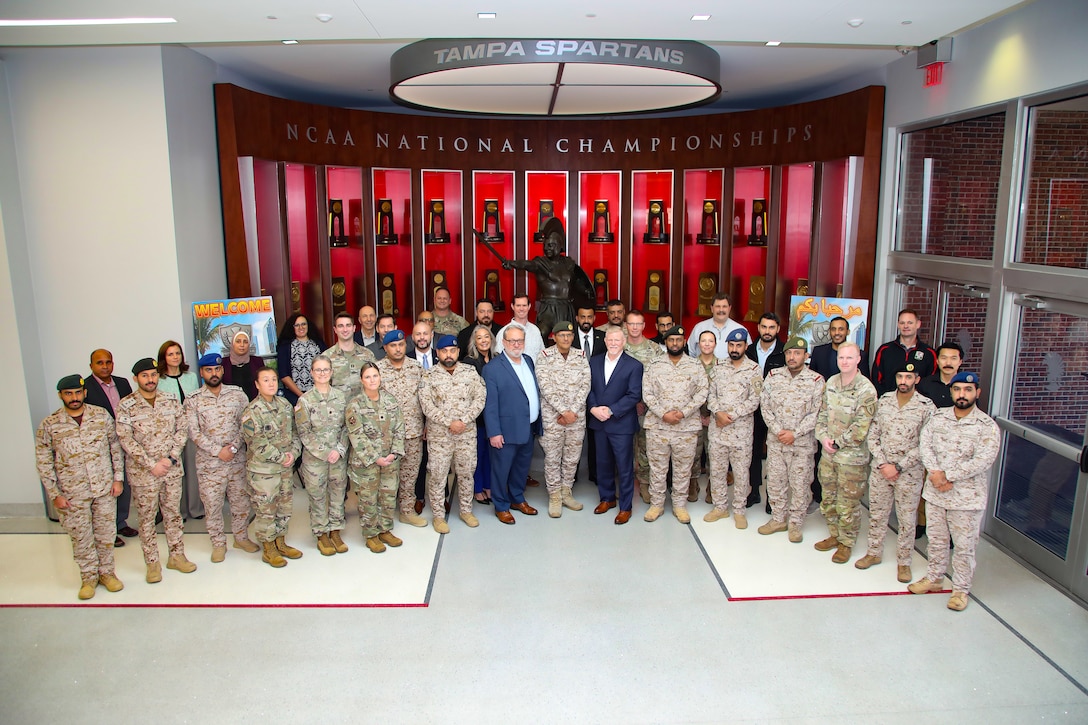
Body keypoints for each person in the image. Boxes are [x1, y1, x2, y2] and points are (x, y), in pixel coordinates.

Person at [909, 371, 1000, 611]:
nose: (962, 394)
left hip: (966, 499)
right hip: (936, 494)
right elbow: (925, 444)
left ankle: (960, 590)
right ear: (952, 392)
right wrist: (935, 472)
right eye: (958, 390)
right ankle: (934, 578)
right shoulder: (938, 418)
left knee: (964, 547)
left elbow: (984, 460)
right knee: (936, 541)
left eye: (968, 390)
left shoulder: (986, 426)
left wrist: (947, 475)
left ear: (977, 393)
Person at [35, 374, 125, 600]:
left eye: (77, 393)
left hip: (104, 488)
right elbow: (44, 461)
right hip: (72, 493)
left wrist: (118, 479)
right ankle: (88, 578)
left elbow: (115, 448)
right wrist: (54, 494)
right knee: (81, 536)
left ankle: (107, 573)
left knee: (106, 534)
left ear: (84, 392)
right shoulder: (50, 424)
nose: (74, 398)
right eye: (68, 394)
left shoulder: (101, 416)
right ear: (61, 396)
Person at [115, 357, 195, 583]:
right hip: (144, 475)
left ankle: (177, 556)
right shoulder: (126, 405)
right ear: (135, 379)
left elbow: (182, 429)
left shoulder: (170, 400)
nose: (150, 380)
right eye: (144, 376)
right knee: (147, 520)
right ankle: (152, 563)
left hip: (170, 470)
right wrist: (152, 464)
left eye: (152, 375)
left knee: (173, 515)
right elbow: (125, 440)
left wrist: (170, 458)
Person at [856, 362, 935, 583]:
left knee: (907, 520)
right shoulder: (884, 401)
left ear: (917, 380)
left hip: (908, 474)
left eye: (908, 377)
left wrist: (898, 466)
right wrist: (883, 463)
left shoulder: (927, 406)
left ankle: (904, 562)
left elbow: (925, 444)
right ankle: (873, 552)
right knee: (877, 514)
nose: (903, 381)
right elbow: (873, 434)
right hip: (881, 471)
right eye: (900, 376)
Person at [184, 353, 258, 563]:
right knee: (213, 505)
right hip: (210, 464)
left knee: (241, 502)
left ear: (222, 371)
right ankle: (218, 543)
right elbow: (193, 432)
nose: (214, 373)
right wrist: (219, 451)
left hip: (236, 460)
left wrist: (233, 448)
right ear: (201, 372)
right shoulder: (193, 400)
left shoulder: (237, 394)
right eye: (209, 370)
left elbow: (247, 424)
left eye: (217, 369)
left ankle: (241, 537)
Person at [813, 342, 878, 563]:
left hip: (852, 458)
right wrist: (823, 438)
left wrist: (838, 443)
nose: (844, 362)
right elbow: (821, 414)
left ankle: (847, 543)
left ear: (858, 359)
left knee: (848, 502)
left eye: (849, 358)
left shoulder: (866, 389)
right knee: (828, 497)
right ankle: (834, 534)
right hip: (829, 454)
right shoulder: (830, 383)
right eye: (841, 358)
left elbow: (861, 426)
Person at [757, 337, 825, 541]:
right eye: (789, 353)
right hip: (777, 442)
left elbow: (817, 413)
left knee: (800, 484)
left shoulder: (816, 381)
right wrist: (779, 430)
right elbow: (765, 406)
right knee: (775, 482)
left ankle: (796, 523)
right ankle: (778, 518)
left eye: (797, 353)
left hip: (801, 444)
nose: (792, 357)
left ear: (806, 356)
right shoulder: (772, 376)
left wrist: (794, 433)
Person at [418, 335, 486, 534]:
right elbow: (426, 405)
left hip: (466, 434)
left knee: (466, 474)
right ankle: (438, 515)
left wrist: (463, 421)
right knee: (438, 475)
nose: (449, 354)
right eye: (444, 351)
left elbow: (480, 399)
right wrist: (450, 422)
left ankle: (466, 510)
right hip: (440, 436)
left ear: (458, 352)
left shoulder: (471, 372)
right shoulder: (428, 376)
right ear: (437, 353)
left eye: (452, 350)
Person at [642, 326, 708, 524]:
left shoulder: (695, 366)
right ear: (666, 342)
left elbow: (702, 392)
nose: (675, 344)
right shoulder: (654, 364)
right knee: (658, 468)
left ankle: (679, 505)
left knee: (683, 469)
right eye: (671, 340)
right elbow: (647, 393)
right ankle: (657, 504)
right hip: (658, 426)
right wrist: (663, 414)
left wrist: (683, 412)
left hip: (685, 427)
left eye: (679, 340)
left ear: (684, 341)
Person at [241, 367, 303, 568]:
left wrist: (293, 453)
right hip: (264, 471)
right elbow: (257, 443)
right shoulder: (252, 412)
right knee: (266, 510)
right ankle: (269, 549)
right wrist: (281, 457)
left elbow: (295, 432)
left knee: (284, 508)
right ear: (257, 385)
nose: (271, 383)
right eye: (266, 380)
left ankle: (280, 542)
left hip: (285, 469)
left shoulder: (285, 405)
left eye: (274, 379)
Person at [483, 324, 544, 524]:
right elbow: (490, 404)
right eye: (512, 341)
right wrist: (494, 432)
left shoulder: (527, 360)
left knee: (521, 468)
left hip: (528, 427)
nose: (516, 344)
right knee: (501, 469)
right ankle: (501, 505)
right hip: (505, 431)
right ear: (504, 342)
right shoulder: (492, 368)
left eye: (520, 341)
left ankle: (517, 499)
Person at [704, 329, 763, 528]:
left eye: (739, 345)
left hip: (741, 433)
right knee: (717, 471)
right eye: (731, 345)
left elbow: (755, 400)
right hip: (718, 431)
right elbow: (710, 394)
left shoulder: (754, 369)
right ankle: (720, 507)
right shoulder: (718, 367)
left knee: (740, 473)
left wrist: (732, 415)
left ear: (746, 346)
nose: (734, 349)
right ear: (727, 346)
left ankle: (739, 510)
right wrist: (717, 412)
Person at [346, 362, 405, 553]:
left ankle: (386, 529)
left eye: (375, 376)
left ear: (380, 377)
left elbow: (399, 428)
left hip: (389, 459)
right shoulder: (355, 405)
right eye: (368, 377)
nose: (372, 380)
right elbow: (357, 436)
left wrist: (394, 452)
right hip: (367, 463)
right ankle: (371, 534)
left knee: (388, 496)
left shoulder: (390, 400)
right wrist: (375, 458)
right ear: (362, 380)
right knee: (368, 499)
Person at [500, 218, 594, 339]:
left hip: (565, 307)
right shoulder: (541, 263)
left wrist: (586, 292)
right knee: (541, 334)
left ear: (560, 246)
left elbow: (576, 283)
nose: (547, 248)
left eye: (551, 245)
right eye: (545, 246)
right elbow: (526, 264)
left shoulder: (569, 263)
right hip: (548, 308)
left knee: (567, 337)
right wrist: (511, 263)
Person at [294, 354, 349, 556]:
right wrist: (326, 453)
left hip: (338, 458)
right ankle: (321, 534)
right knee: (317, 497)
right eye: (318, 370)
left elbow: (347, 428)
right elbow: (303, 433)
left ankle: (335, 531)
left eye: (326, 370)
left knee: (337, 494)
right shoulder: (305, 401)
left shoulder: (341, 397)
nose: (322, 373)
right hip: (315, 460)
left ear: (332, 372)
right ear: (311, 373)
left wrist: (339, 450)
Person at [587, 327, 644, 524]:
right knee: (603, 464)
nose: (612, 343)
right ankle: (607, 498)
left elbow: (634, 395)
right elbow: (588, 388)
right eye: (609, 339)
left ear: (624, 342)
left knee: (624, 467)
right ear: (605, 341)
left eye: (617, 340)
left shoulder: (634, 365)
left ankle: (625, 506)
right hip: (598, 422)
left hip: (621, 424)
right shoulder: (593, 362)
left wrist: (610, 410)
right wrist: (593, 408)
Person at [534, 321, 590, 517]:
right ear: (554, 336)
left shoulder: (581, 356)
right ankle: (555, 496)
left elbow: (586, 385)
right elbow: (545, 387)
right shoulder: (544, 357)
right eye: (562, 335)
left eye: (569, 335)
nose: (566, 338)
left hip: (576, 418)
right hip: (553, 418)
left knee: (572, 458)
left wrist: (571, 411)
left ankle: (567, 491)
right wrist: (562, 411)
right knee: (552, 458)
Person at [83, 349, 137, 544]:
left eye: (108, 362)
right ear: (91, 366)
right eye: (100, 363)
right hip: (101, 446)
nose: (104, 366)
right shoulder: (86, 388)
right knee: (107, 487)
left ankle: (121, 521)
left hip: (125, 441)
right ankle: (107, 530)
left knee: (124, 482)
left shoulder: (122, 383)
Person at [376, 330, 428, 527]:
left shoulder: (416, 368)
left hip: (413, 431)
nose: (397, 349)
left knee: (410, 474)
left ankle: (406, 511)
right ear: (386, 348)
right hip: (387, 435)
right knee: (387, 478)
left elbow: (425, 399)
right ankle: (384, 515)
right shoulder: (378, 370)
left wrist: (427, 425)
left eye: (400, 345)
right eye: (393, 346)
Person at [156, 340, 202, 519]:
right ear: (163, 358)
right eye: (170, 354)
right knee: (174, 473)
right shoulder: (159, 380)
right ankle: (179, 511)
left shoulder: (190, 377)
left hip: (190, 430)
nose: (175, 357)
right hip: (170, 434)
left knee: (192, 470)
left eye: (177, 353)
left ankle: (195, 508)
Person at [746, 312, 786, 510]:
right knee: (752, 452)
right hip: (752, 411)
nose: (767, 331)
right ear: (759, 328)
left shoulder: (785, 352)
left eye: (772, 327)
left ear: (778, 329)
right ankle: (753, 491)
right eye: (764, 327)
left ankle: (773, 497)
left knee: (775, 456)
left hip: (776, 413)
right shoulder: (749, 350)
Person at [622, 309, 663, 503]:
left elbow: (659, 380)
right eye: (631, 324)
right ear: (626, 325)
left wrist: (643, 402)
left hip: (648, 409)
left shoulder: (655, 349)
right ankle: (625, 485)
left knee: (647, 449)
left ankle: (645, 485)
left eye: (639, 324)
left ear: (644, 326)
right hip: (623, 409)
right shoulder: (618, 346)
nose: (635, 327)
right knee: (623, 449)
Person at [464, 325, 496, 504]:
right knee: (478, 454)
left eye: (486, 337)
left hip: (494, 415)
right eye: (479, 338)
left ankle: (489, 486)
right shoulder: (469, 362)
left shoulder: (498, 358)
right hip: (477, 417)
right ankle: (477, 489)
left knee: (492, 454)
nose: (483, 340)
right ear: (474, 342)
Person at [871, 308, 937, 396]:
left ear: (918, 324)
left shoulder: (929, 353)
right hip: (888, 403)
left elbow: (931, 381)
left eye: (910, 323)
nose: (906, 326)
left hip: (918, 405)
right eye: (902, 323)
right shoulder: (885, 350)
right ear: (898, 325)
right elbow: (876, 379)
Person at [689, 329, 719, 503]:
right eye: (703, 341)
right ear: (698, 344)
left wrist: (712, 415)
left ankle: (711, 488)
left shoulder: (722, 366)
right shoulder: (691, 366)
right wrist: (698, 415)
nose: (707, 344)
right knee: (693, 453)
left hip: (715, 420)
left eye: (710, 341)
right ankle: (692, 486)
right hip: (693, 418)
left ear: (715, 344)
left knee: (714, 455)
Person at [276, 313, 326, 405]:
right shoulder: (285, 347)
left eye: (303, 324)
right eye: (297, 325)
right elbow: (284, 375)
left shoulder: (318, 344)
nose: (301, 327)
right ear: (292, 327)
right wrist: (302, 395)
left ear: (308, 325)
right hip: (295, 396)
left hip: (319, 394)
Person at [325, 311, 376, 399]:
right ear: (335, 330)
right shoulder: (326, 358)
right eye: (341, 326)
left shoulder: (367, 355)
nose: (345, 329)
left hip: (364, 410)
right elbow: (323, 388)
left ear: (354, 328)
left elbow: (376, 383)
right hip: (339, 410)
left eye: (348, 325)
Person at [687, 292, 750, 357]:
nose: (721, 310)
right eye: (718, 306)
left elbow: (748, 355)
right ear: (712, 308)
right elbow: (690, 352)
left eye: (724, 306)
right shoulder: (699, 327)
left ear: (729, 308)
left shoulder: (740, 329)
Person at [497, 294, 545, 362]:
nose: (521, 309)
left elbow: (542, 355)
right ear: (512, 306)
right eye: (518, 305)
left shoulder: (535, 330)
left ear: (529, 306)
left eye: (524, 305)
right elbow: (498, 358)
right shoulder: (504, 332)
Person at [918, 340, 963, 409]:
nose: (948, 363)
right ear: (937, 361)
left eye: (953, 358)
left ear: (960, 362)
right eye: (944, 358)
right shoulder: (925, 384)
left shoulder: (966, 385)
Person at [221, 330, 264, 400]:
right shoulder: (223, 363)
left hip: (255, 406)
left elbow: (263, 384)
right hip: (231, 406)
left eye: (245, 342)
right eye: (238, 341)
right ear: (232, 344)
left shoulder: (257, 361)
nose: (242, 345)